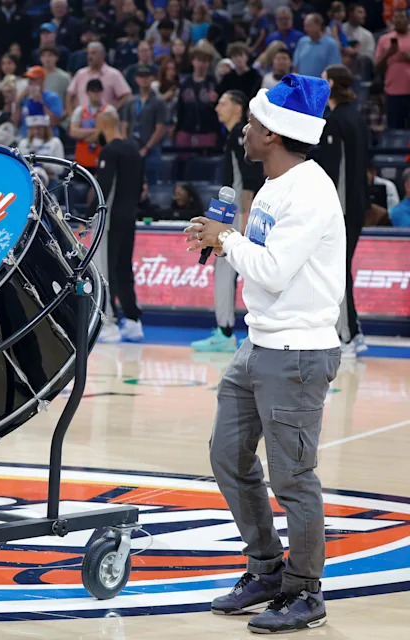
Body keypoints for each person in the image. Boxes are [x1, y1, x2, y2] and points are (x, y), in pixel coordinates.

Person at [186, 74, 343, 634]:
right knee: (227, 455)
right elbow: (262, 258)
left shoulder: (311, 190)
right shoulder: (275, 182)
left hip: (298, 352)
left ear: (273, 133)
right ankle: (266, 570)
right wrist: (222, 236)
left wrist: (225, 240)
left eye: (253, 124)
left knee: (294, 478)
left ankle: (306, 592)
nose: (245, 131)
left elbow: (274, 271)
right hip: (260, 342)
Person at [191, 90, 264, 352]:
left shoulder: (238, 135)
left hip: (238, 214)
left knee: (224, 270)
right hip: (236, 212)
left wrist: (244, 220)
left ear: (237, 106)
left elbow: (247, 180)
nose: (217, 107)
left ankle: (224, 332)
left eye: (223, 103)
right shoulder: (236, 135)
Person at [311, 65, 370, 357]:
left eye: (324, 80)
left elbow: (332, 173)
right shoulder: (356, 117)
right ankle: (353, 330)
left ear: (331, 84)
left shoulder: (335, 121)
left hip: (343, 207)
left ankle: (346, 334)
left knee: (339, 269)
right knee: (341, 268)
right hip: (357, 204)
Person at [92, 106, 145, 343]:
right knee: (124, 268)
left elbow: (104, 189)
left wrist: (94, 216)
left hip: (112, 219)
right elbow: (141, 188)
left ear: (104, 125)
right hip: (129, 216)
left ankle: (109, 321)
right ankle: (133, 321)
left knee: (107, 268)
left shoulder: (110, 151)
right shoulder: (134, 151)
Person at [120, 65, 168, 185]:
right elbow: (124, 124)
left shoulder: (158, 101)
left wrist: (147, 148)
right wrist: (126, 144)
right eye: (141, 76)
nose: (144, 79)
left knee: (151, 182)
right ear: (136, 79)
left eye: (146, 76)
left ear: (152, 78)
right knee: (130, 182)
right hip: (132, 148)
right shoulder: (131, 101)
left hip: (151, 150)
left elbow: (160, 128)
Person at [373, 9, 410, 129]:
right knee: (394, 130)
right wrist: (388, 53)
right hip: (392, 92)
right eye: (397, 18)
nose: (399, 21)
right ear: (392, 20)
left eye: (402, 17)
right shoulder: (384, 39)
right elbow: (376, 68)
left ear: (407, 19)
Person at [70, 79, 107, 172]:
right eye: (93, 91)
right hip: (82, 160)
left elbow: (107, 135)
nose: (95, 94)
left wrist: (83, 135)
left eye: (98, 91)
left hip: (102, 158)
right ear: (87, 92)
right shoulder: (80, 110)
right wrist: (96, 131)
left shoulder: (109, 111)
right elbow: (73, 132)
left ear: (102, 92)